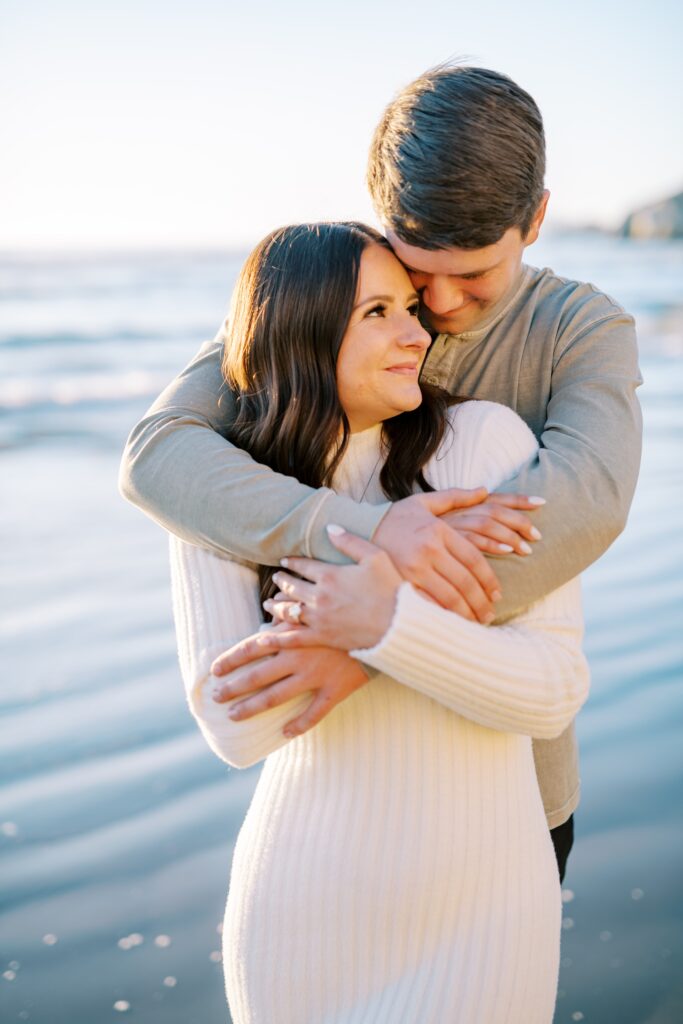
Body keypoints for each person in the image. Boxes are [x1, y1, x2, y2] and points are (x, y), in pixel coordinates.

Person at [119, 64, 642, 881]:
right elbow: (158, 455)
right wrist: (366, 534)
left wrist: (371, 637)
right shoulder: (328, 304)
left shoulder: (580, 330)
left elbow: (585, 504)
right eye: (412, 268)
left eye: (470, 275)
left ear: (534, 220)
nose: (432, 308)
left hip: (512, 782)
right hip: (345, 796)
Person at [169, 220, 590, 1023]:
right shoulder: (225, 484)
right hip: (299, 913)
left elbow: (549, 693)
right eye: (376, 313)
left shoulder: (484, 444)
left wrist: (386, 622)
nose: (415, 333)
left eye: (408, 307)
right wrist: (372, 585)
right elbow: (233, 723)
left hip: (484, 909)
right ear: (300, 328)